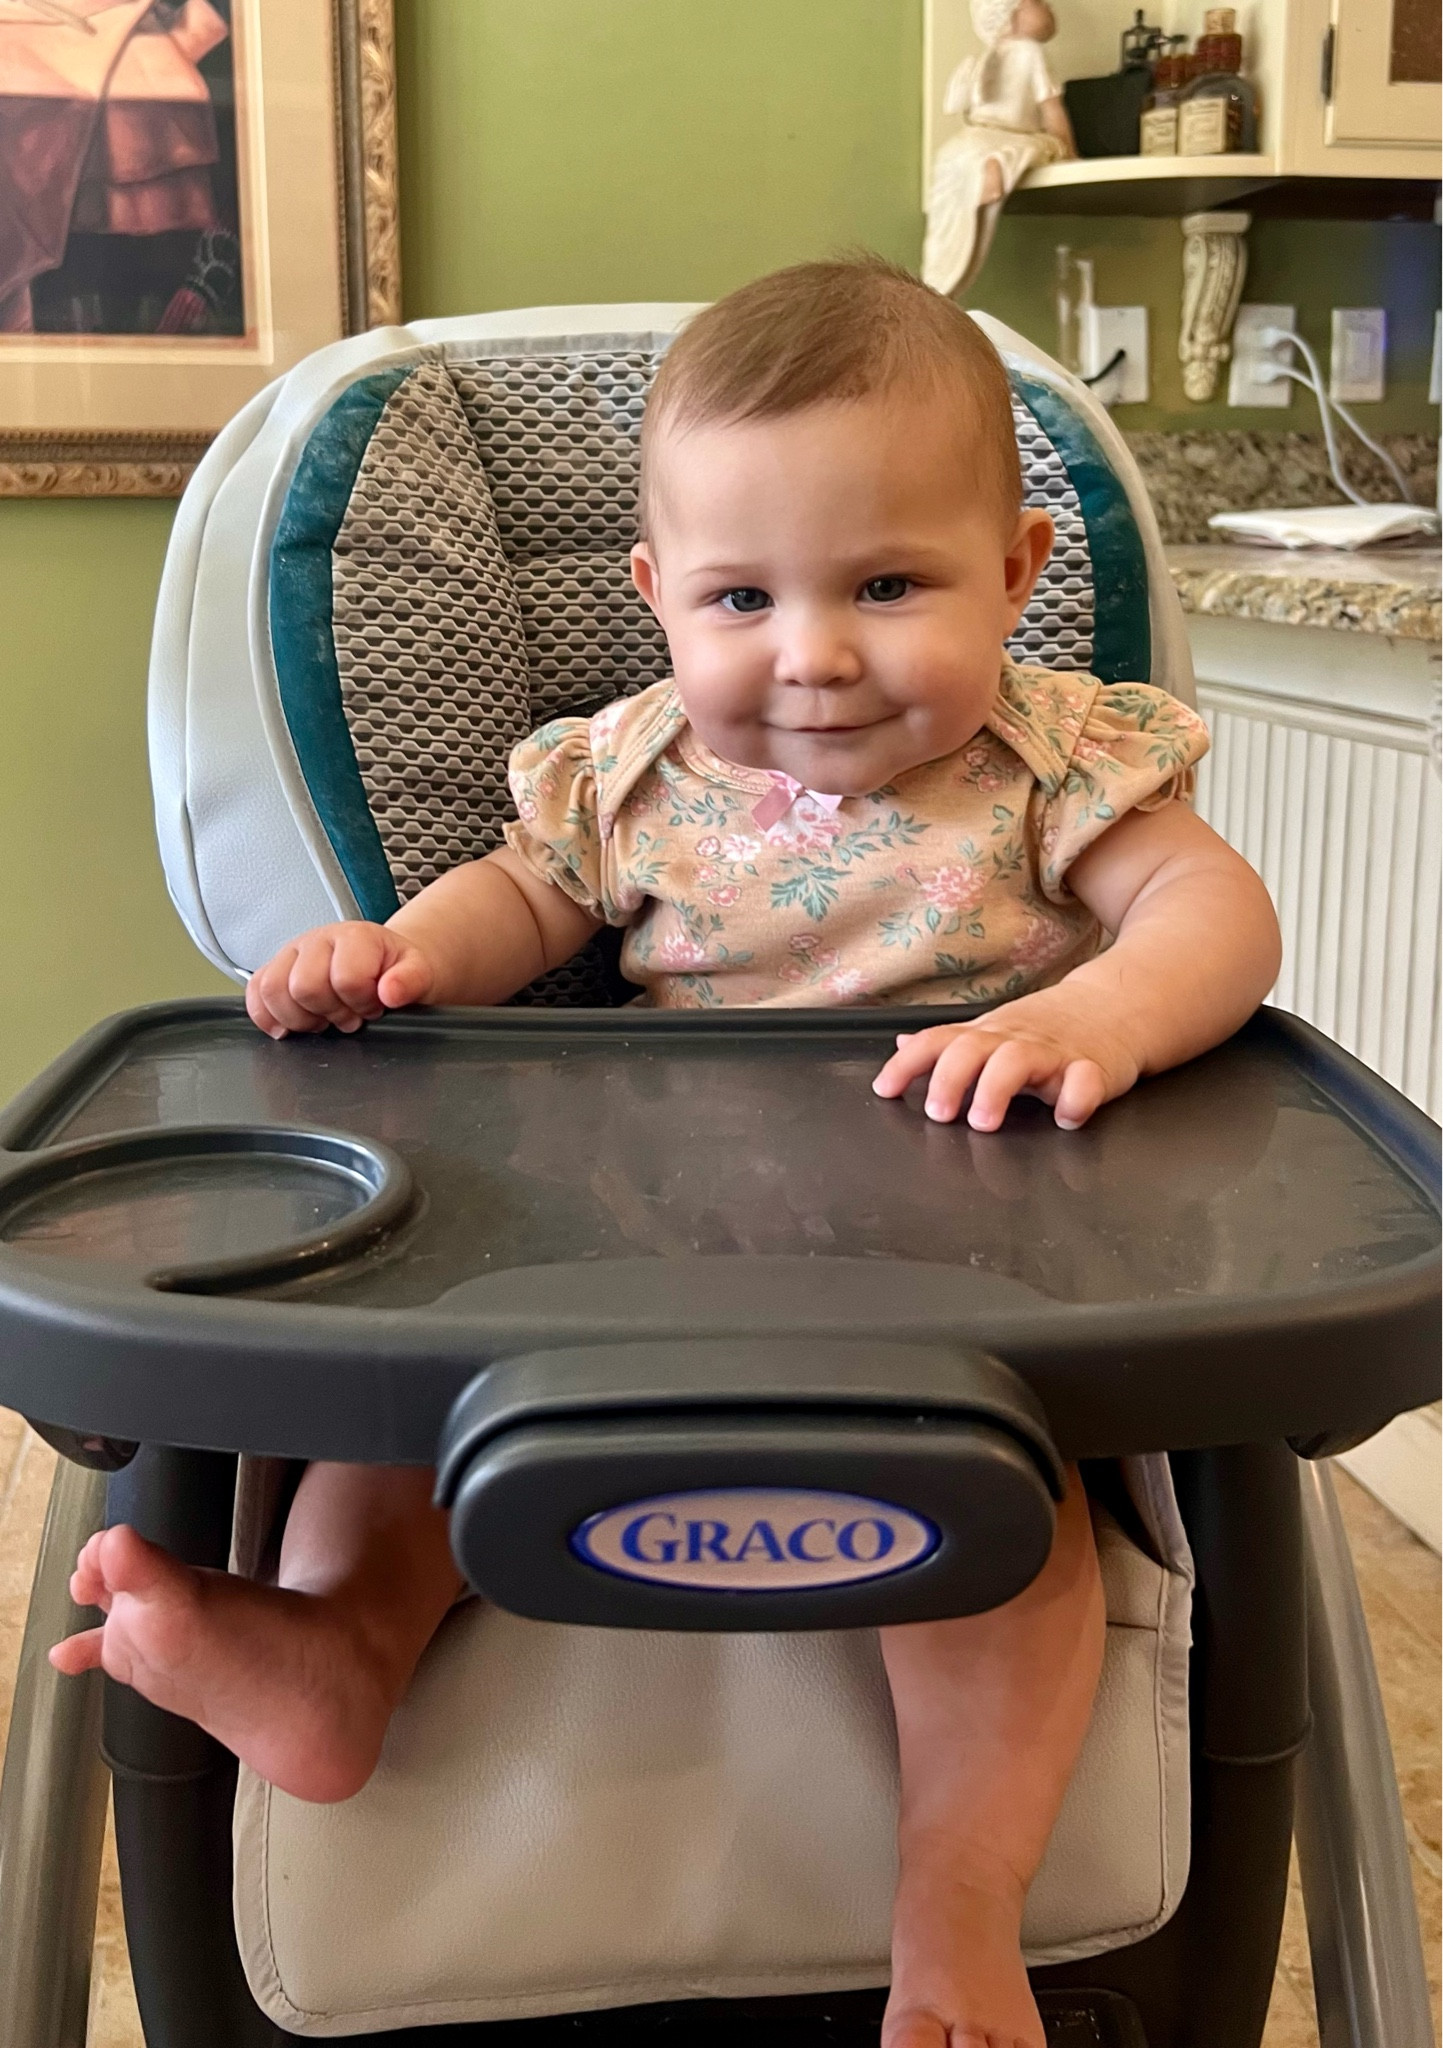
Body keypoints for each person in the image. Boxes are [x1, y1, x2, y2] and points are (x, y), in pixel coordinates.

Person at [52, 256, 1280, 2048]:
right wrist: (399, 954)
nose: (812, 650)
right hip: (619, 1263)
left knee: (1007, 1552)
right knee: (400, 1444)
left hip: (957, 1294)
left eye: (885, 583)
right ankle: (333, 1655)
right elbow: (514, 901)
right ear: (654, 598)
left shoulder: (1049, 764)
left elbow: (1207, 910)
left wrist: (1092, 1018)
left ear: (1014, 572)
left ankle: (956, 1889)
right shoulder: (623, 772)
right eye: (738, 595)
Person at [922, 0, 1077, 299]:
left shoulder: (984, 58)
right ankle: (994, 167)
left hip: (978, 136)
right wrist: (1068, 151)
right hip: (1013, 136)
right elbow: (1052, 111)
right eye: (1038, 2)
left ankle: (938, 283)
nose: (1048, 7)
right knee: (1043, 146)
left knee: (953, 186)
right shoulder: (1031, 52)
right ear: (1012, 14)